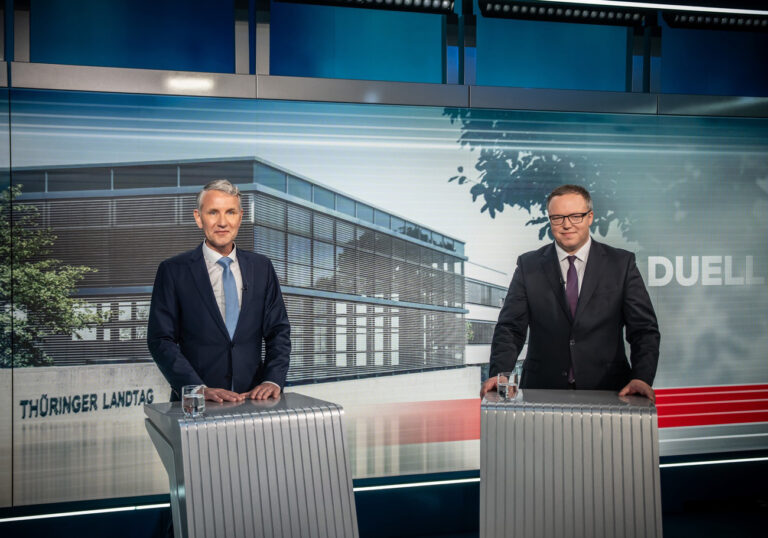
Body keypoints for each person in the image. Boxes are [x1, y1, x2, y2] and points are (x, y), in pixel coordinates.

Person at [481, 184, 660, 400]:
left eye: (576, 216)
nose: (567, 225)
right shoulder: (529, 265)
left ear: (590, 217)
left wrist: (642, 377)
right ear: (550, 220)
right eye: (557, 218)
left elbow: (644, 330)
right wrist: (500, 374)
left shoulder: (621, 264)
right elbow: (510, 328)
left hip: (611, 390)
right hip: (542, 390)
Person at [148, 179, 290, 402]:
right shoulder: (173, 271)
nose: (222, 222)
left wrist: (272, 380)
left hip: (255, 400)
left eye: (230, 212)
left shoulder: (262, 267)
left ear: (240, 217)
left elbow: (278, 331)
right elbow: (160, 339)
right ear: (198, 217)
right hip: (197, 403)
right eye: (213, 212)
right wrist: (196, 388)